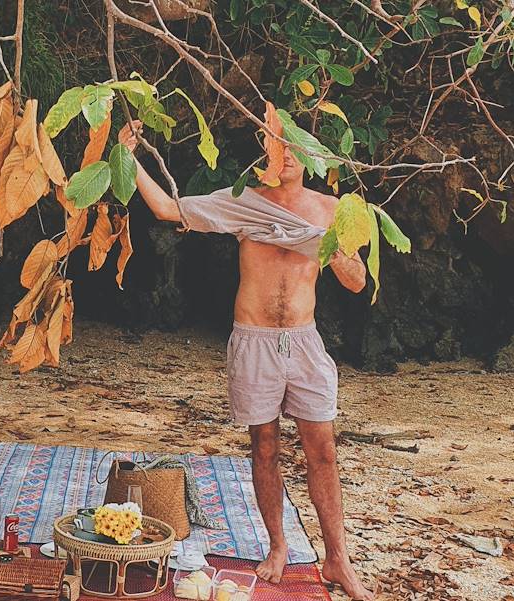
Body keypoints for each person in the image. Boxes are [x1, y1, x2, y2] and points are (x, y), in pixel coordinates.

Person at [118, 120, 374, 600]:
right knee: (264, 447)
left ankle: (338, 558)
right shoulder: (244, 202)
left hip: (304, 341)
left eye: (296, 148)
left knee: (323, 451)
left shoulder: (332, 210)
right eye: (278, 147)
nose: (288, 156)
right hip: (253, 340)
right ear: (267, 155)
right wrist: (127, 156)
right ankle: (278, 546)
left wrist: (336, 250)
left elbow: (357, 282)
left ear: (313, 157)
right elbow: (166, 208)